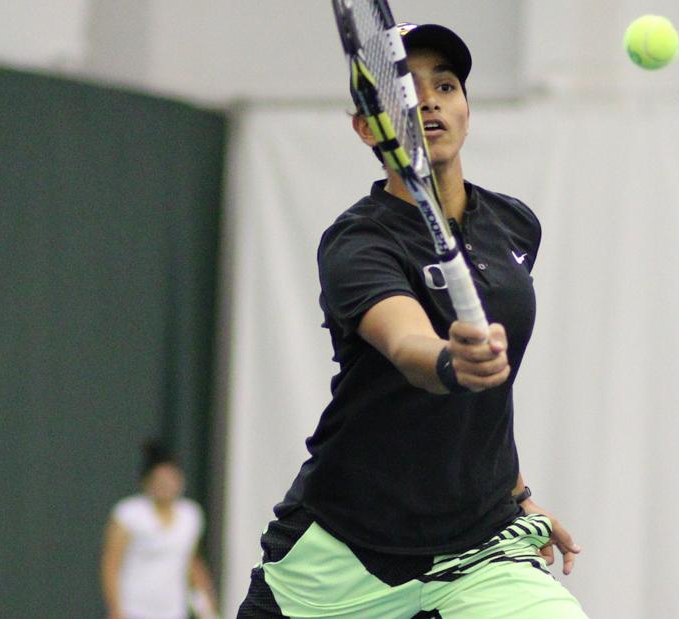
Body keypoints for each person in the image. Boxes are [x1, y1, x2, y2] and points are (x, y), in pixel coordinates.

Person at [236, 22, 587, 619]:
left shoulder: (514, 227)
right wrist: (451, 361)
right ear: (365, 126)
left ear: (467, 110)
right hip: (346, 556)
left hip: (478, 551)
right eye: (402, 90)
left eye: (445, 86)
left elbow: (476, 416)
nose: (426, 100)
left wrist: (518, 493)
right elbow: (406, 344)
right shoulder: (357, 244)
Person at [102, 441, 219, 619]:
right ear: (147, 483)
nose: (166, 486)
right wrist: (116, 609)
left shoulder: (191, 515)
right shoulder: (129, 514)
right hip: (134, 609)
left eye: (171, 479)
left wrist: (206, 606)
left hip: (173, 611)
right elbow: (111, 563)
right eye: (160, 480)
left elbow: (191, 562)